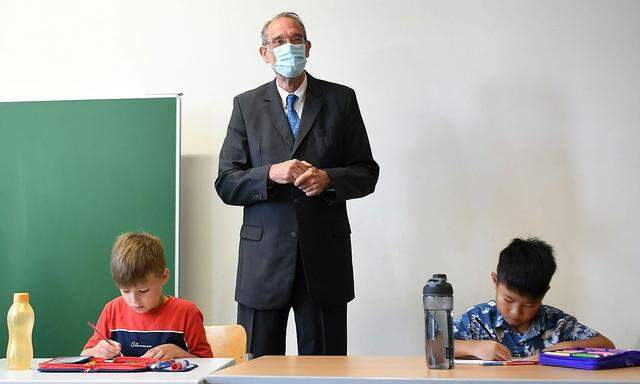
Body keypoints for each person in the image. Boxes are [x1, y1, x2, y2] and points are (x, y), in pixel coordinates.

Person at [215, 11, 379, 357]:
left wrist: (329, 178)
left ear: (308, 46)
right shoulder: (246, 106)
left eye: (295, 39)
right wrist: (269, 173)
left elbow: (367, 172)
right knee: (256, 371)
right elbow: (227, 183)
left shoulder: (340, 100)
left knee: (325, 373)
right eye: (278, 41)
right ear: (265, 53)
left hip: (323, 260)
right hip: (263, 263)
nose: (288, 47)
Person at [454, 237, 614, 360]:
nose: (516, 312)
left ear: (544, 293)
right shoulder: (477, 319)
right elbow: (436, 345)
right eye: (509, 300)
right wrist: (473, 347)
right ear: (495, 281)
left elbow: (607, 345)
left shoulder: (558, 324)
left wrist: (567, 346)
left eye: (529, 304)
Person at [81, 232, 213, 359]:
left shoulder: (187, 313)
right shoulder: (112, 310)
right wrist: (98, 350)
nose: (134, 301)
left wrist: (178, 352)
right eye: (125, 291)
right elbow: (85, 354)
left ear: (164, 277)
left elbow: (208, 364)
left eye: (143, 291)